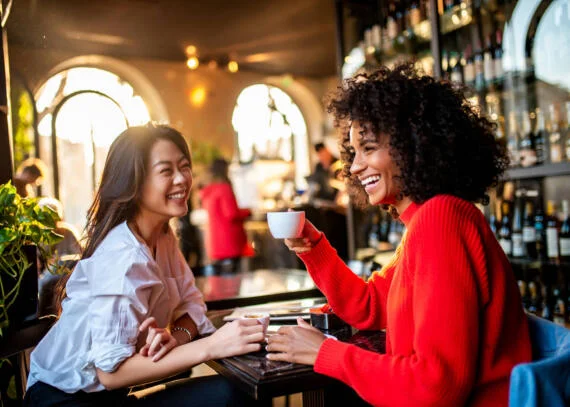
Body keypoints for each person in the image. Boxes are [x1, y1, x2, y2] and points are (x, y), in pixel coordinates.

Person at [266, 64, 532, 406]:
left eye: (369, 147)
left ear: (414, 145)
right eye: (354, 152)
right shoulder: (425, 221)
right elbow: (370, 306)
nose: (355, 166)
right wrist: (313, 246)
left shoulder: (441, 220)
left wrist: (325, 353)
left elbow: (436, 387)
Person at [25, 125, 266, 406]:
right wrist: (211, 346)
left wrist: (175, 337)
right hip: (61, 401)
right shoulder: (123, 256)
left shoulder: (163, 238)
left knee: (234, 391)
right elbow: (110, 373)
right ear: (135, 183)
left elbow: (193, 305)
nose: (182, 179)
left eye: (184, 166)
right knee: (229, 395)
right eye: (166, 171)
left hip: (108, 397)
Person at [198, 158, 252, 273]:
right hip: (229, 243)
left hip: (215, 243)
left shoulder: (208, 190)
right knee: (232, 285)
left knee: (221, 284)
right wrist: (248, 212)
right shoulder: (224, 188)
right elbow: (231, 214)